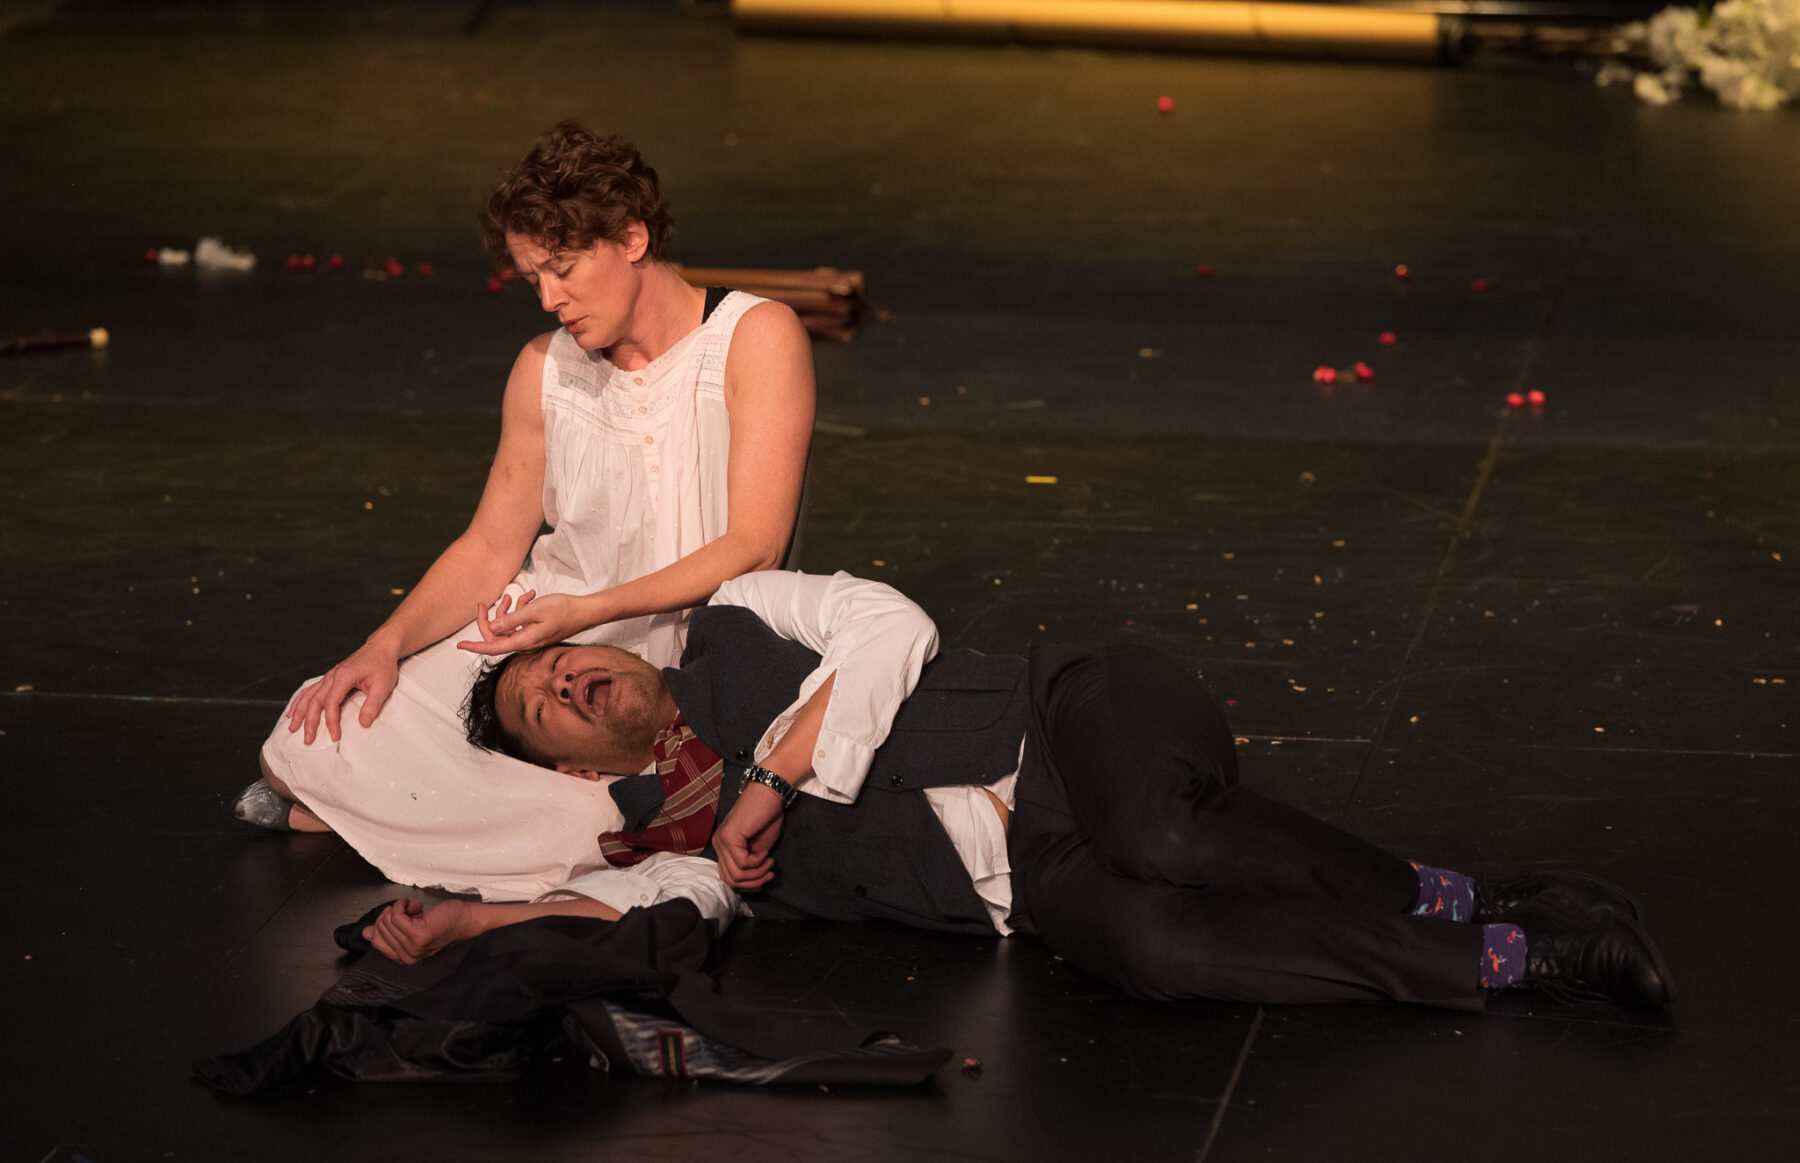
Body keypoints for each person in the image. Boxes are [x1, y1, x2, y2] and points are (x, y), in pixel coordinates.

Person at [358, 570, 1677, 1011]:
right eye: (545, 707)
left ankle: (1450, 891)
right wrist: (464, 924)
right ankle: (1516, 956)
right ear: (577, 766)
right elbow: (646, 925)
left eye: (566, 661)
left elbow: (892, 629)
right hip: (1020, 887)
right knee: (1155, 942)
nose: (570, 683)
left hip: (1073, 714)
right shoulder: (673, 843)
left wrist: (771, 770)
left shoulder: (740, 619)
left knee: (1158, 829)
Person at [238, 122, 815, 902]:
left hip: (688, 660)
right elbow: (489, 544)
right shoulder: (544, 369)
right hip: (544, 643)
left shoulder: (756, 336)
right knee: (314, 732)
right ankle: (466, 816)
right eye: (531, 278)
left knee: (608, 816)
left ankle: (420, 819)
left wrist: (586, 609)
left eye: (562, 268)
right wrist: (384, 645)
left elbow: (755, 545)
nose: (550, 298)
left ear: (634, 238)